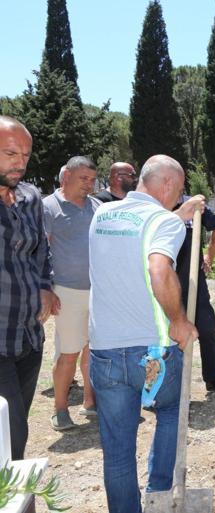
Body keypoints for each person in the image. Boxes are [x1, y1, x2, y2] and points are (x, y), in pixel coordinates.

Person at [88, 155, 202, 513]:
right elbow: (158, 269)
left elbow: (137, 235)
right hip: (152, 353)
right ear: (167, 184)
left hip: (105, 352)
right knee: (170, 411)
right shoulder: (162, 221)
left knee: (118, 453)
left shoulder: (101, 215)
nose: (178, 198)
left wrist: (177, 216)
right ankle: (160, 494)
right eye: (178, 191)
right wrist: (180, 320)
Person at [0, 116, 57, 460]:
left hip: (29, 339)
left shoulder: (30, 196)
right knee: (10, 434)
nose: (19, 163)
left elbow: (41, 250)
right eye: (9, 154)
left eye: (25, 155)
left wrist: (45, 285)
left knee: (15, 439)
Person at [43, 156, 100, 431]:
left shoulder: (97, 207)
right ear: (66, 176)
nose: (89, 185)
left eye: (92, 179)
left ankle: (91, 402)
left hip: (97, 292)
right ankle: (60, 410)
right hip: (66, 291)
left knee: (92, 349)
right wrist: (46, 288)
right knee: (68, 353)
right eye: (83, 179)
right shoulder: (48, 208)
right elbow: (39, 251)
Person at [174, 196, 215, 395]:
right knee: (165, 338)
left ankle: (212, 378)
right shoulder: (156, 205)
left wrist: (209, 256)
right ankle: (163, 386)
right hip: (166, 282)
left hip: (194, 281)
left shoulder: (194, 207)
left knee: (207, 329)